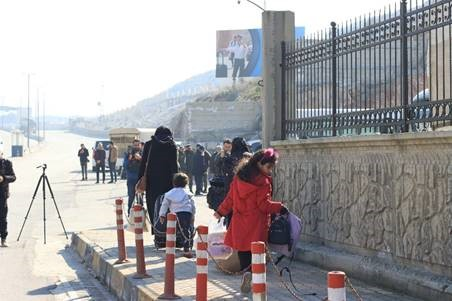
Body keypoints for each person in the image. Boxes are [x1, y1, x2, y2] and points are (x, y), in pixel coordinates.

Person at [214, 148, 287, 293]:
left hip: (239, 223)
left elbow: (230, 198)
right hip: (256, 225)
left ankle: (247, 274)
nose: (270, 171)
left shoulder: (239, 177)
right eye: (269, 167)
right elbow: (263, 205)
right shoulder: (263, 182)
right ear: (260, 163)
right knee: (257, 255)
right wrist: (280, 207)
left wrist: (220, 212)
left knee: (243, 253)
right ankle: (255, 281)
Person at [137, 126, 178, 229]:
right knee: (167, 207)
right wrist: (177, 183)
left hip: (151, 183)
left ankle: (156, 231)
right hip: (168, 183)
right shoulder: (171, 145)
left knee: (152, 206)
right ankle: (167, 232)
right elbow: (174, 167)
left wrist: (139, 180)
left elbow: (143, 164)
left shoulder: (149, 145)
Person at [159, 173, 195, 258]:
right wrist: (193, 215)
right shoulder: (188, 193)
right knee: (186, 231)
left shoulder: (169, 194)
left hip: (174, 215)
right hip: (186, 213)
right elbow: (193, 205)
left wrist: (162, 215)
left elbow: (164, 205)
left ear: (174, 183)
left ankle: (170, 249)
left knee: (172, 232)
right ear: (186, 183)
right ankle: (187, 249)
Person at [0, 149, 16, 247]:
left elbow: (13, 177)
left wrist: (3, 178)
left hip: (2, 194)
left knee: (2, 217)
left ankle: (3, 239)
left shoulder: (7, 163)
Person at [124, 139, 142, 214]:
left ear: (140, 146)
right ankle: (130, 213)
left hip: (140, 180)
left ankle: (141, 214)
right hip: (131, 179)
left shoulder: (143, 153)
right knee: (131, 197)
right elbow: (125, 165)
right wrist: (129, 159)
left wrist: (140, 159)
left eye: (138, 145)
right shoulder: (128, 154)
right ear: (132, 145)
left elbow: (147, 164)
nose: (136, 146)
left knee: (140, 198)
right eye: (135, 145)